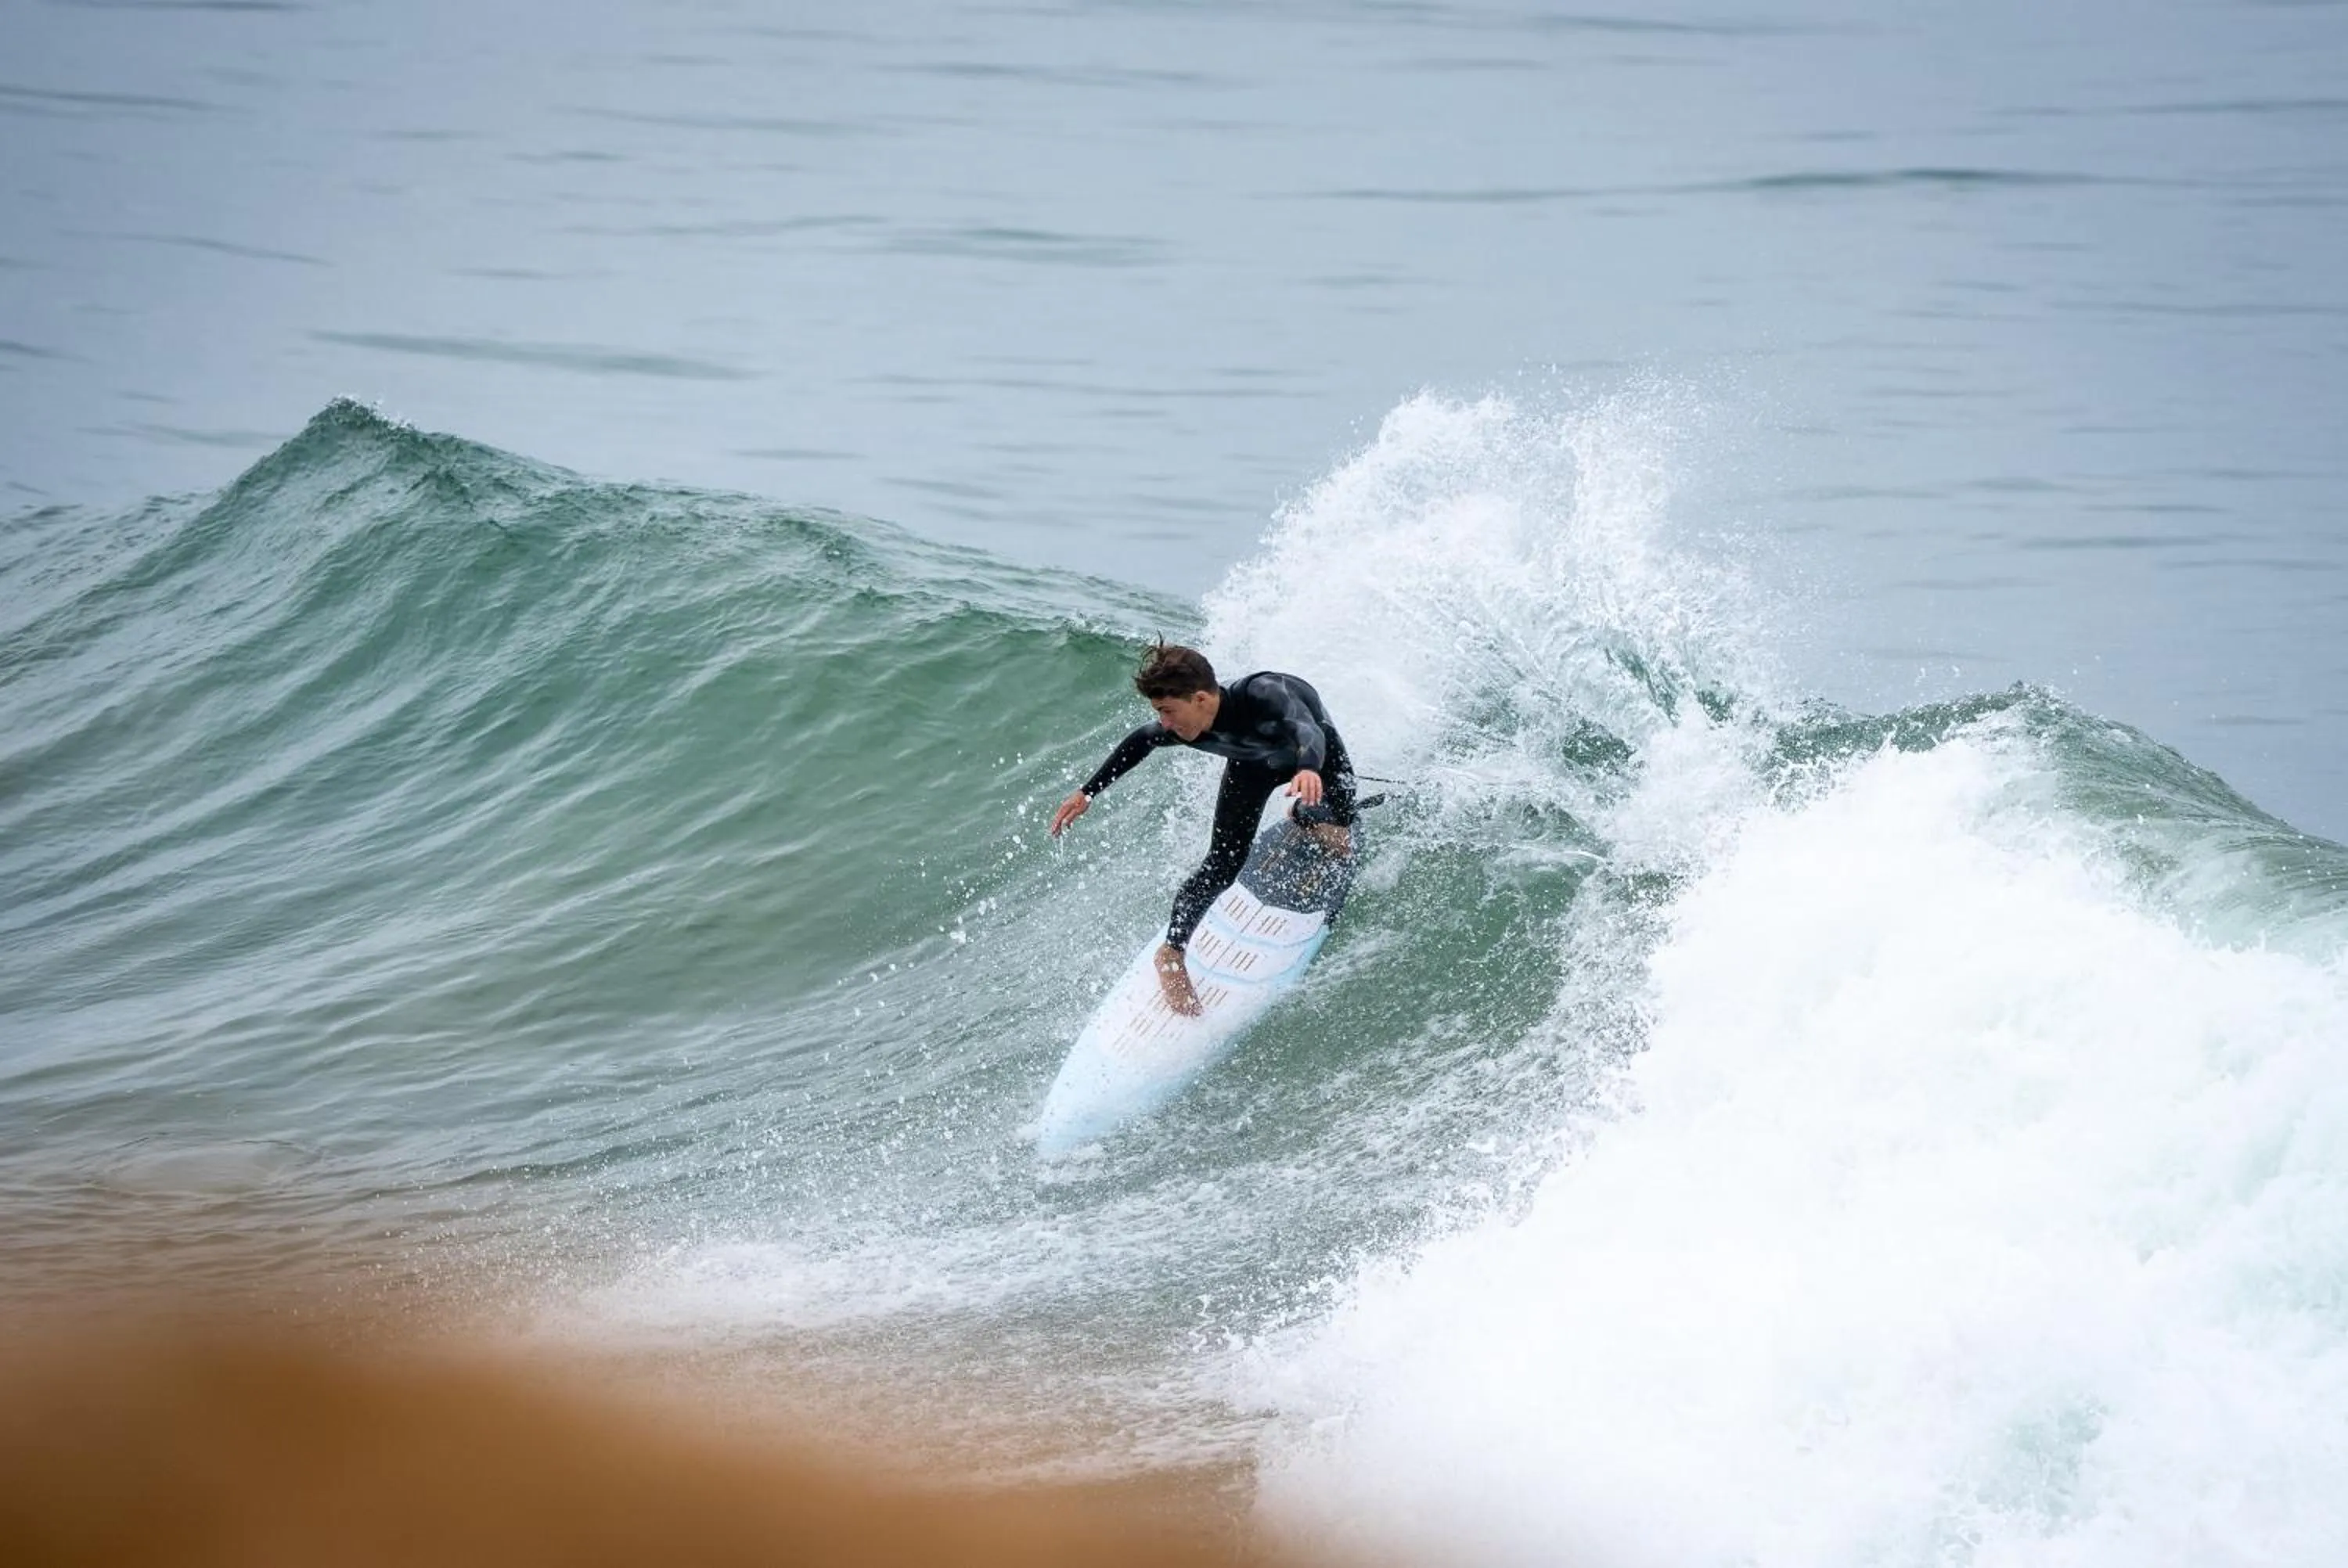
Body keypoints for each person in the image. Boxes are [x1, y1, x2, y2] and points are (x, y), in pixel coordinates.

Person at [1050, 643, 1358, 1016]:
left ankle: (1305, 815)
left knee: (1342, 828)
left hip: (1315, 758)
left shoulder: (1266, 693)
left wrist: (1308, 767)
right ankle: (1172, 953)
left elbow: (1307, 728)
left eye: (1167, 711)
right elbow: (1140, 741)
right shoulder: (1181, 727)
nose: (1164, 722)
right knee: (1222, 864)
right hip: (1252, 768)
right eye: (1159, 712)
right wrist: (1088, 792)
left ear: (1199, 699)